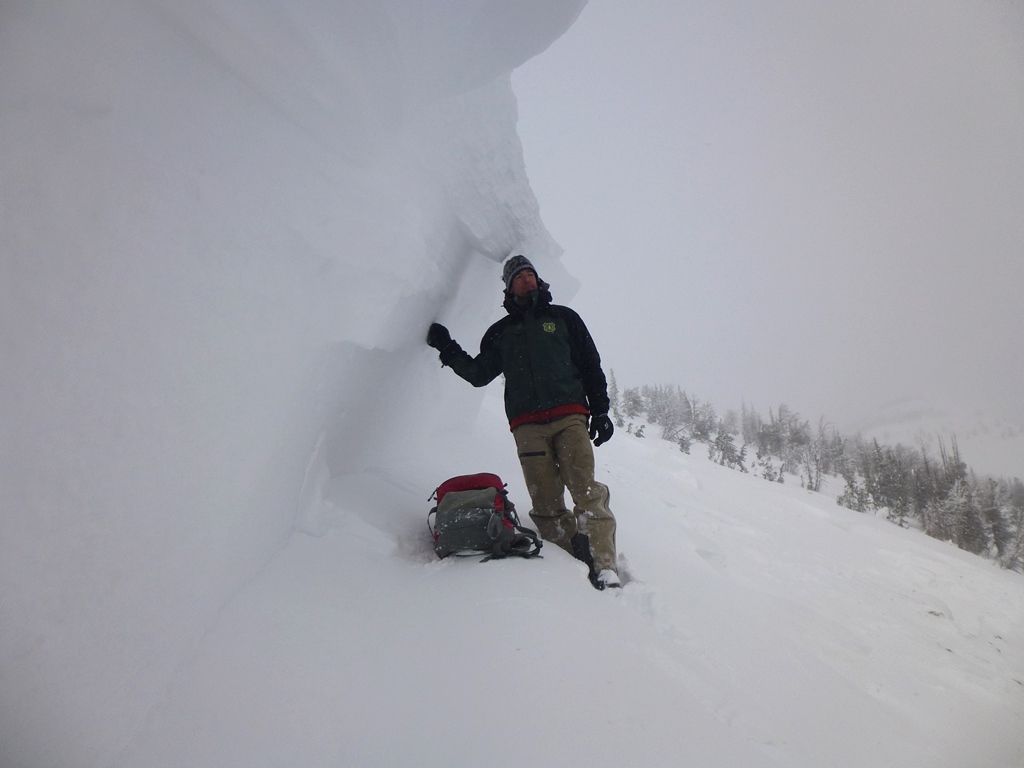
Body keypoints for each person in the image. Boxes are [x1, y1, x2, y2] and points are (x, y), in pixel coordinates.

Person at [426, 255, 620, 589]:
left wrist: (600, 411)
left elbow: (590, 365)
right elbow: (478, 374)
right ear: (508, 287)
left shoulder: (563, 319)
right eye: (518, 277)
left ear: (539, 280)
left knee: (586, 491)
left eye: (530, 274)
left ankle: (604, 565)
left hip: (570, 416)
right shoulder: (500, 333)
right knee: (545, 502)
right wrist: (447, 347)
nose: (526, 280)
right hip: (527, 427)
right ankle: (571, 563)